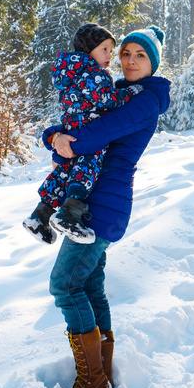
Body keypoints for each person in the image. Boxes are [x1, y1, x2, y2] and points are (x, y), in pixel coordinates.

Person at [42, 25, 170, 388]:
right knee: (88, 286)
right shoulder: (119, 92)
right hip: (93, 202)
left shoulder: (145, 100)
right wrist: (54, 137)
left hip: (102, 204)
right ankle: (102, 376)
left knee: (64, 284)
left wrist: (63, 141)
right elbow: (78, 121)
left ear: (153, 63)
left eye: (140, 55)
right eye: (126, 53)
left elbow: (96, 134)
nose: (129, 60)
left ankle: (93, 382)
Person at [23, 23, 142, 245]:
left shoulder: (70, 71)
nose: (109, 56)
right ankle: (69, 214)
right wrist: (129, 93)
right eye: (104, 49)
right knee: (87, 170)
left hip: (71, 129)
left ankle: (40, 214)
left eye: (111, 50)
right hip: (90, 133)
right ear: (89, 49)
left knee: (65, 172)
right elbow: (106, 100)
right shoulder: (95, 73)